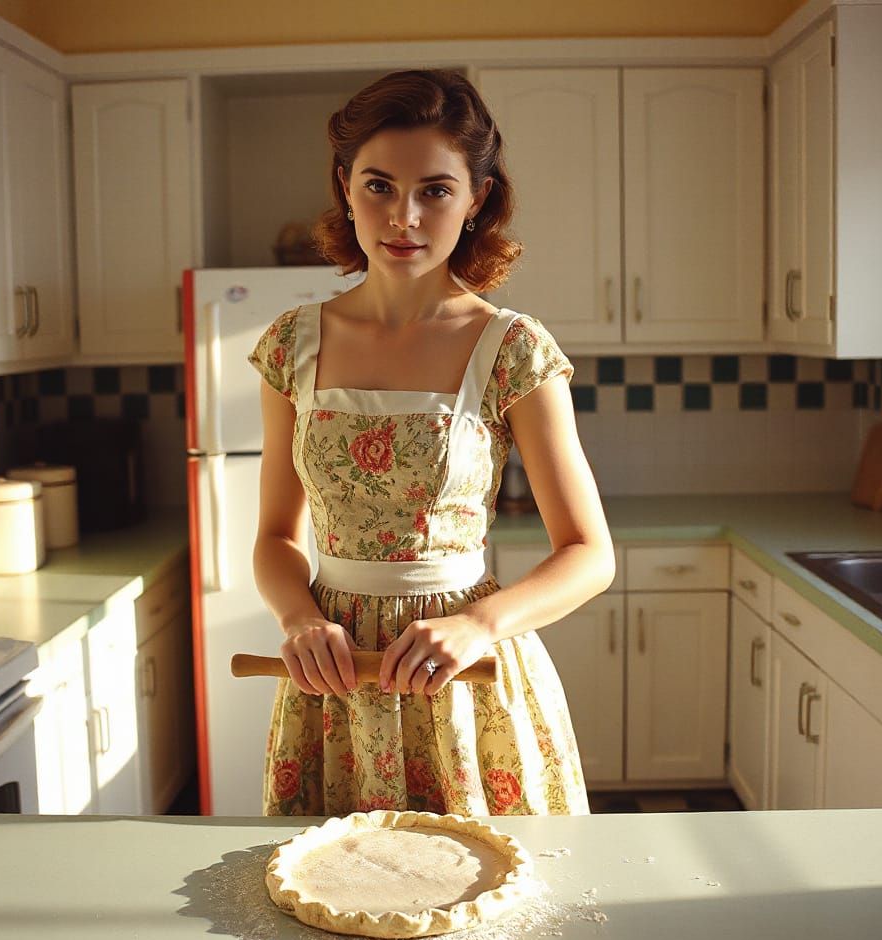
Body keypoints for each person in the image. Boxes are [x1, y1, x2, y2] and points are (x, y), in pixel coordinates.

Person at [248, 68, 615, 817]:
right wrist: (298, 619)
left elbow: (590, 554)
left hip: (465, 679)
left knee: (498, 907)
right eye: (379, 186)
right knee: (330, 901)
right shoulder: (292, 345)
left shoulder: (514, 348)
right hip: (335, 686)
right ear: (347, 186)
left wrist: (480, 624)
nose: (403, 217)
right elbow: (274, 538)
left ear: (476, 199)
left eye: (435, 191)